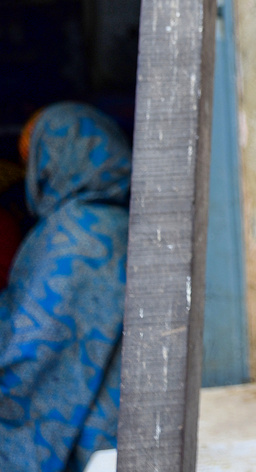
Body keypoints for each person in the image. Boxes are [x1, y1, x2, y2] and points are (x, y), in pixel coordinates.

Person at [0, 103, 130, 472]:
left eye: (36, 158)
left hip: (84, 440)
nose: (33, 174)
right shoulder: (128, 223)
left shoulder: (72, 234)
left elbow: (31, 346)